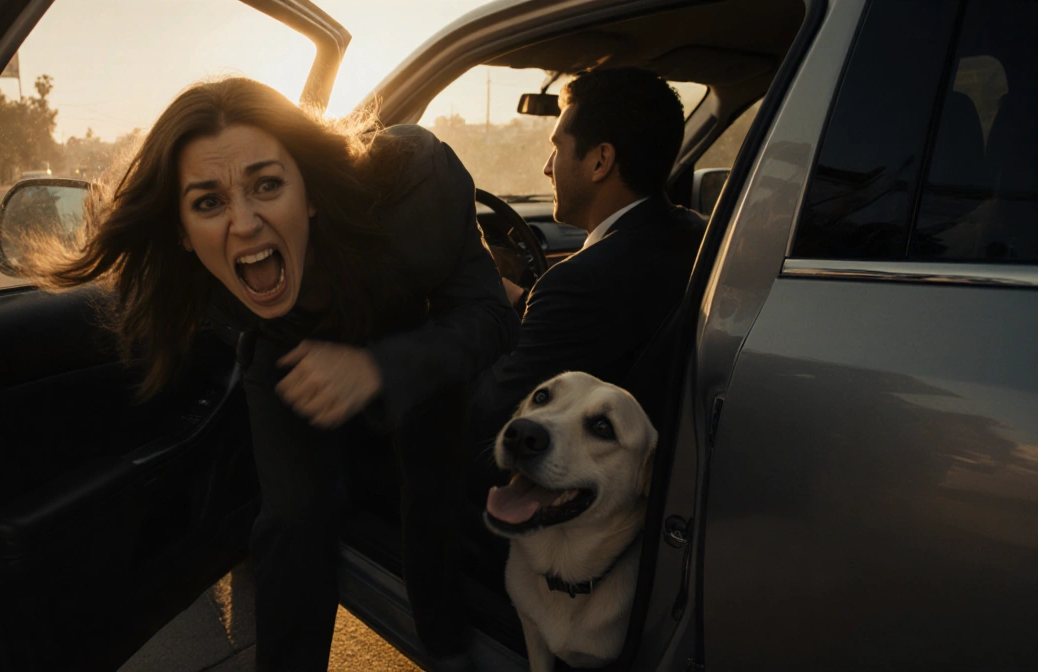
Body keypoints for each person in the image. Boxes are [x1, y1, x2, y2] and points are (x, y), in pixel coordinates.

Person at [39, 77, 519, 670]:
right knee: (292, 518)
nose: (243, 222)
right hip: (287, 351)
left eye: (267, 184)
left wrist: (377, 368)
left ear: (310, 191)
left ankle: (447, 648)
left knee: (429, 499)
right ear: (184, 234)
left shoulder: (414, 184)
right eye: (208, 202)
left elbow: (490, 316)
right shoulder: (201, 288)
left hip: (414, 336)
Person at [470, 67, 706, 457]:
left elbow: (489, 420)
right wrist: (521, 301)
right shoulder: (698, 232)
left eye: (557, 148)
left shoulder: (580, 283)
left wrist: (477, 310)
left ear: (600, 161)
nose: (547, 167)